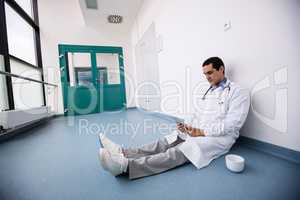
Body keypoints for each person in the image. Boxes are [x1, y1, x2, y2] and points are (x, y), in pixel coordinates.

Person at [98, 57, 250, 179]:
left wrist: (202, 132)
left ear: (221, 69)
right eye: (205, 74)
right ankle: (123, 152)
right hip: (197, 131)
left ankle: (125, 167)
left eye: (209, 73)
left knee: (176, 152)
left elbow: (232, 125)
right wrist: (186, 125)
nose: (207, 77)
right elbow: (196, 113)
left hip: (217, 139)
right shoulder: (208, 92)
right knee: (165, 141)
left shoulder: (238, 92)